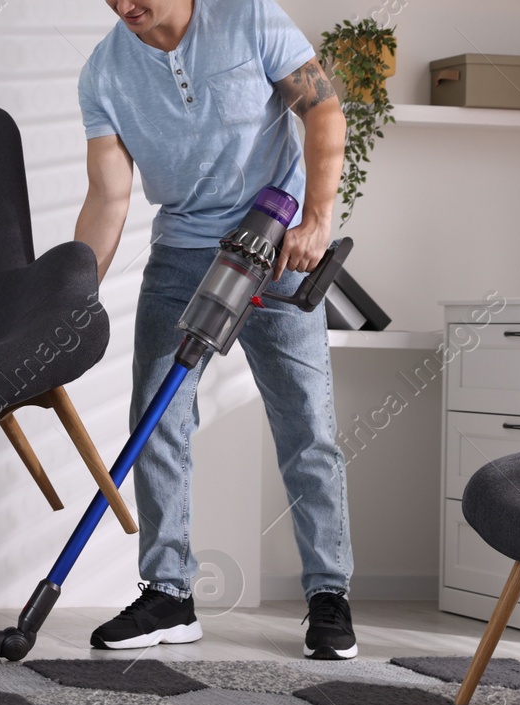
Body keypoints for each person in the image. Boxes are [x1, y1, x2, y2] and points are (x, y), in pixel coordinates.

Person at [74, 0, 357, 659]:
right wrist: (73, 296)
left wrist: (316, 220)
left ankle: (328, 596)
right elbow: (108, 198)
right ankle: (168, 595)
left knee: (306, 427)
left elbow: (323, 108)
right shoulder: (103, 74)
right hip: (182, 258)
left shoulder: (250, 17)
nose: (125, 5)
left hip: (278, 242)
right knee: (158, 417)